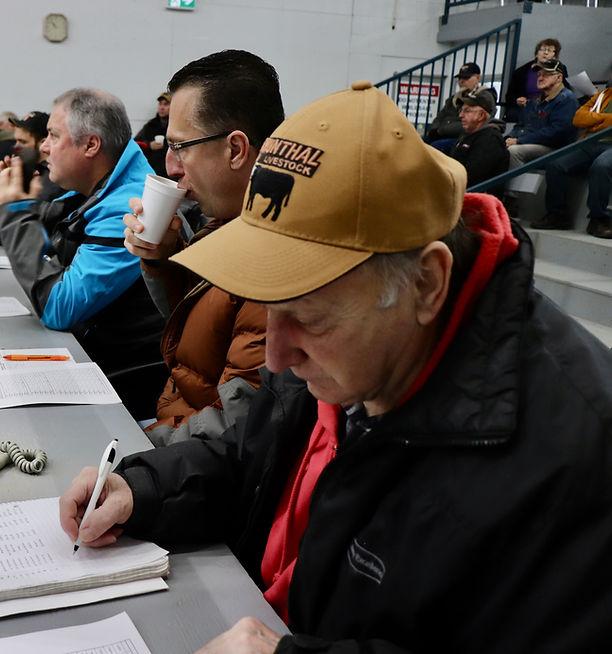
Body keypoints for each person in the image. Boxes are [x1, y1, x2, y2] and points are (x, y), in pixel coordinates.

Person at [60, 81, 612, 653]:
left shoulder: (575, 458)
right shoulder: (356, 347)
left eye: (311, 318)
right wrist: (145, 489)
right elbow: (251, 458)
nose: (276, 355)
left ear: (426, 283)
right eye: (270, 310)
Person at [122, 49, 284, 445]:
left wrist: (138, 452)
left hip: (179, 453)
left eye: (181, 147)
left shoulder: (276, 260)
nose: (171, 168)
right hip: (172, 433)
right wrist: (165, 260)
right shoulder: (230, 221)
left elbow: (234, 426)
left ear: (235, 149)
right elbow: (205, 339)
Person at [0, 88, 165, 378]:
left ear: (90, 145)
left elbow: (59, 307)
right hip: (92, 354)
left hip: (121, 383)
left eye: (53, 136)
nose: (44, 147)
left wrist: (15, 215)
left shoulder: (130, 207)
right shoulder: (96, 192)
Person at [533, 77, 612, 237]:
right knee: (556, 163)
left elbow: (588, 119)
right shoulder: (603, 95)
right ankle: (558, 215)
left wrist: (595, 120)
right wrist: (605, 120)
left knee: (601, 166)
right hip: (590, 142)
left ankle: (598, 219)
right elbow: (578, 118)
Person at [0, 110, 64, 244]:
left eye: (22, 141)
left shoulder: (53, 180)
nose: (16, 147)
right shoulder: (31, 171)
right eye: (16, 140)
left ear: (43, 144)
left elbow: (39, 231)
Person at [505, 58, 578, 169]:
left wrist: (519, 141)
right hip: (534, 143)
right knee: (498, 147)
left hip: (557, 148)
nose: (540, 78)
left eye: (546, 75)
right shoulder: (535, 101)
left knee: (515, 151)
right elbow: (521, 125)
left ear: (559, 78)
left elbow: (555, 133)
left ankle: (513, 186)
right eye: (539, 75)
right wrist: (509, 138)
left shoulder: (567, 99)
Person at [424, 62, 496, 154]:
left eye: (466, 78)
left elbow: (472, 123)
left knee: (437, 147)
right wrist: (435, 130)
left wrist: (441, 130)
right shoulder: (454, 98)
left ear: (478, 78)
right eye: (460, 78)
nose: (462, 81)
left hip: (466, 138)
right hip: (445, 135)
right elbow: (439, 117)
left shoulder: (484, 97)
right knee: (419, 144)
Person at [449, 88, 508, 188]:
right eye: (461, 110)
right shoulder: (467, 135)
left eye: (467, 111)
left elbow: (474, 176)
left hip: (477, 198)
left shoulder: (491, 139)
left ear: (481, 115)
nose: (460, 115)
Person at [503, 38, 560, 123]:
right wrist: (518, 100)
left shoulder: (559, 72)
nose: (546, 53)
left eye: (550, 50)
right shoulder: (521, 72)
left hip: (547, 107)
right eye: (542, 49)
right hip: (525, 107)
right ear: (536, 54)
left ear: (555, 56)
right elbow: (510, 96)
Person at [134, 92, 171, 177]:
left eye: (166, 104)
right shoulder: (150, 125)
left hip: (170, 174)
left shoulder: (176, 126)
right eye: (160, 104)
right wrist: (149, 145)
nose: (162, 107)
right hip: (151, 173)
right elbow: (135, 144)